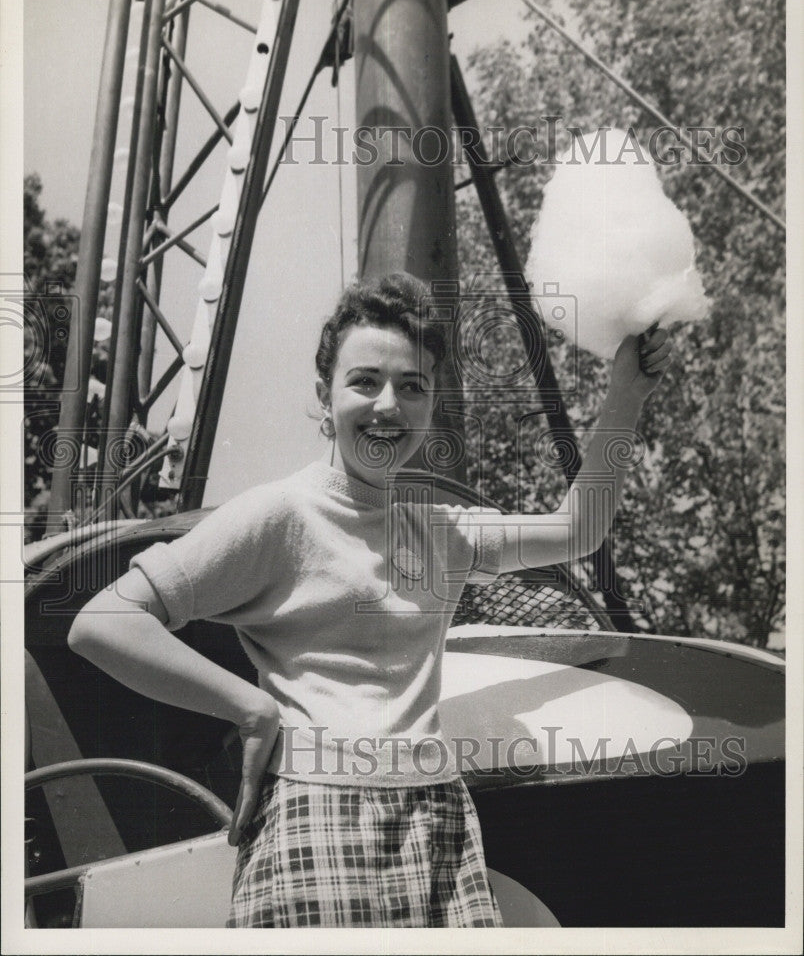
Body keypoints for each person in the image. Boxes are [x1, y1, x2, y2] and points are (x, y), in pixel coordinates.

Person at [68, 271, 672, 928]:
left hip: (438, 822)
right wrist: (250, 708)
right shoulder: (279, 515)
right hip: (313, 813)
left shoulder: (439, 530)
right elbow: (103, 622)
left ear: (430, 404)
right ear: (324, 399)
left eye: (411, 387)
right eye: (364, 381)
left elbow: (576, 529)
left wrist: (626, 394)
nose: (388, 404)